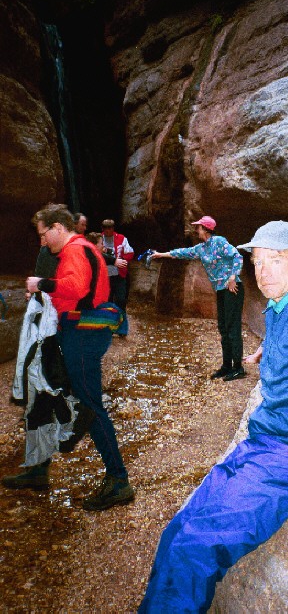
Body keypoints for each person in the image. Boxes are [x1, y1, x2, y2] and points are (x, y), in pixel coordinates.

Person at [138, 220, 288, 613]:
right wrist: (271, 351)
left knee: (195, 549)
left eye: (275, 260)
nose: (262, 271)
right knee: (178, 529)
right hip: (264, 441)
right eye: (257, 261)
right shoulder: (282, 306)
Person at [21, 203, 134, 511]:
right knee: (56, 393)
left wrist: (40, 284)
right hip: (80, 332)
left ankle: (119, 480)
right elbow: (74, 291)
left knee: (89, 405)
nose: (42, 242)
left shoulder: (74, 250)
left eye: (44, 235)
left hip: (81, 334)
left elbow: (76, 285)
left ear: (58, 227)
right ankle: (39, 466)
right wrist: (46, 296)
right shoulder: (82, 249)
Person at [151, 215, 245, 381]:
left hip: (233, 288)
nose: (196, 230)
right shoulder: (202, 248)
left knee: (232, 328)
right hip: (221, 290)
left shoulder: (219, 241)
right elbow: (182, 253)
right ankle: (226, 366)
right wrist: (161, 255)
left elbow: (237, 257)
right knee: (223, 328)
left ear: (206, 229)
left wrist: (232, 277)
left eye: (198, 227)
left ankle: (238, 368)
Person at [101, 219, 134, 337]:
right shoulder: (100, 240)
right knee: (107, 302)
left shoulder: (121, 238)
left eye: (110, 228)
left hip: (119, 275)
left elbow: (130, 252)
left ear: (113, 228)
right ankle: (108, 328)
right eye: (106, 228)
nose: (108, 230)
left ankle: (122, 329)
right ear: (103, 229)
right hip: (105, 277)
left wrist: (121, 260)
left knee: (121, 300)